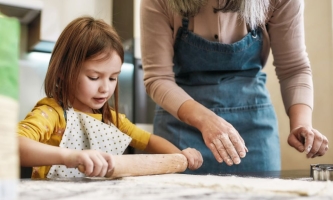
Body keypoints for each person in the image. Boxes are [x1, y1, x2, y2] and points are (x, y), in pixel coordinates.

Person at [140, 0, 329, 174]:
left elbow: (294, 69)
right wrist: (206, 120)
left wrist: (301, 123)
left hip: (253, 131)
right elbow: (158, 78)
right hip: (181, 130)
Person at [17, 16, 203, 179]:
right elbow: (12, 144)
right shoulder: (52, 115)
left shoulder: (112, 120)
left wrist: (180, 155)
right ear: (63, 72)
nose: (105, 88)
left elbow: (149, 141)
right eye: (94, 77)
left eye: (113, 78)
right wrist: (68, 156)